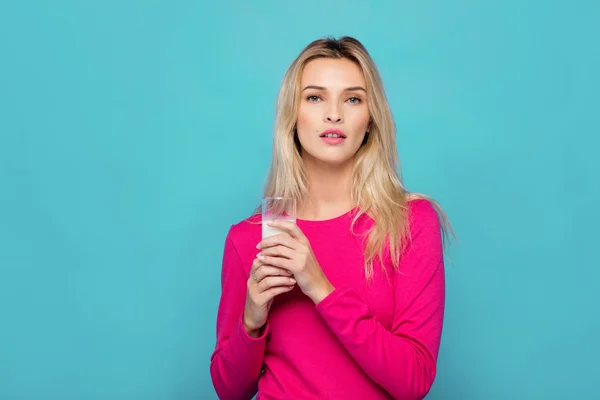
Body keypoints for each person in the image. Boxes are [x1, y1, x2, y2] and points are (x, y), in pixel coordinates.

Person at [209, 36, 453, 400]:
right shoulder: (251, 238)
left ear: (370, 120)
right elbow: (230, 391)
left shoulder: (411, 222)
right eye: (315, 97)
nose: (333, 114)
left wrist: (319, 287)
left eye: (352, 98)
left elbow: (414, 381)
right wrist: (251, 320)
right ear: (292, 116)